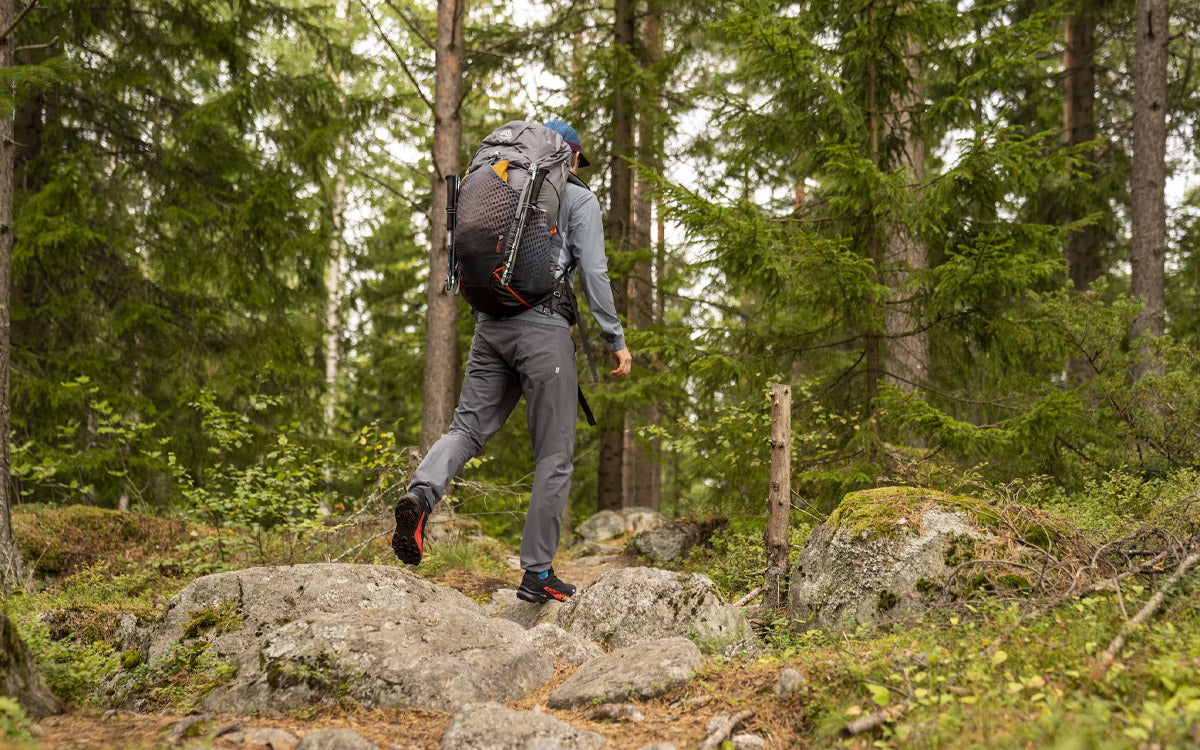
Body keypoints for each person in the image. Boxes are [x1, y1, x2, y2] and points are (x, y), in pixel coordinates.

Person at [392, 119, 632, 603]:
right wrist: (615, 338)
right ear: (571, 156)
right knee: (554, 455)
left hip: (489, 324)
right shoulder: (578, 197)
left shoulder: (498, 178)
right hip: (544, 333)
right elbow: (594, 271)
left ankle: (421, 494)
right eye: (578, 161)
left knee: (466, 429)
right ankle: (537, 572)